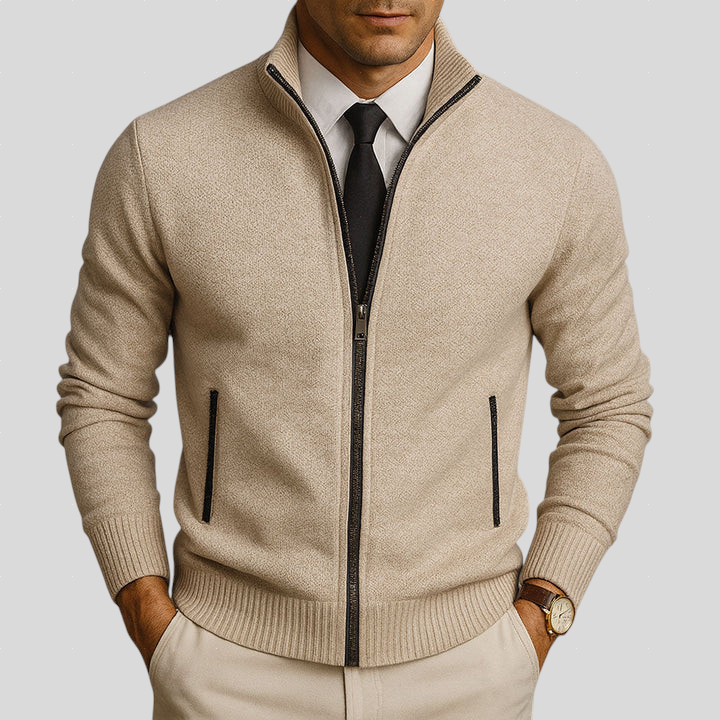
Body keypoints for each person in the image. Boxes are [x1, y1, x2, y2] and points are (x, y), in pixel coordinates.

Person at [55, 1, 653, 718]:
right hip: (227, 669)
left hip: (468, 670)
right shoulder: (163, 156)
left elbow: (608, 404)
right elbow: (103, 395)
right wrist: (147, 609)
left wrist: (546, 608)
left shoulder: (554, 165)